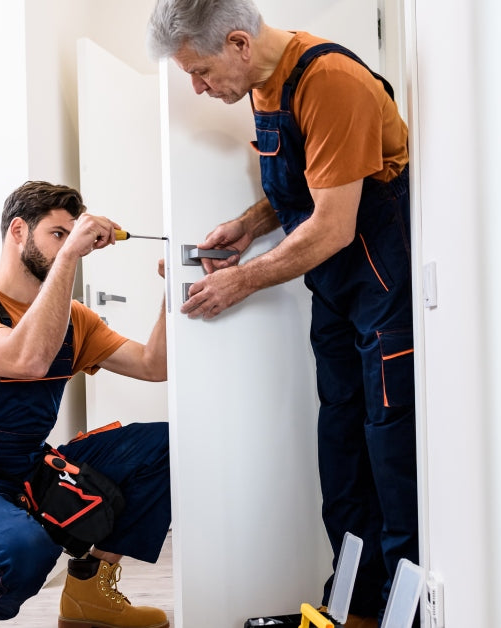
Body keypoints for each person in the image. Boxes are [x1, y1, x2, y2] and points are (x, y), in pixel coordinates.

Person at [148, 2, 416, 627]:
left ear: (239, 43)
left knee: (391, 459)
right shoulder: (263, 83)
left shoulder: (331, 82)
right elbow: (307, 184)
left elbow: (332, 223)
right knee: (342, 455)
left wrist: (240, 283)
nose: (198, 87)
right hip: (336, 293)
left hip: (381, 288)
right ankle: (352, 608)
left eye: (200, 71)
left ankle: (405, 617)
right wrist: (246, 225)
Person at [0, 181, 171, 628]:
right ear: (19, 231)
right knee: (22, 551)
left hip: (33, 462)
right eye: (58, 234)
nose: (70, 245)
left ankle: (89, 592)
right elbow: (27, 359)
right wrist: (70, 257)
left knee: (164, 445)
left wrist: (172, 288)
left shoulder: (75, 318)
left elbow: (153, 364)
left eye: (72, 234)